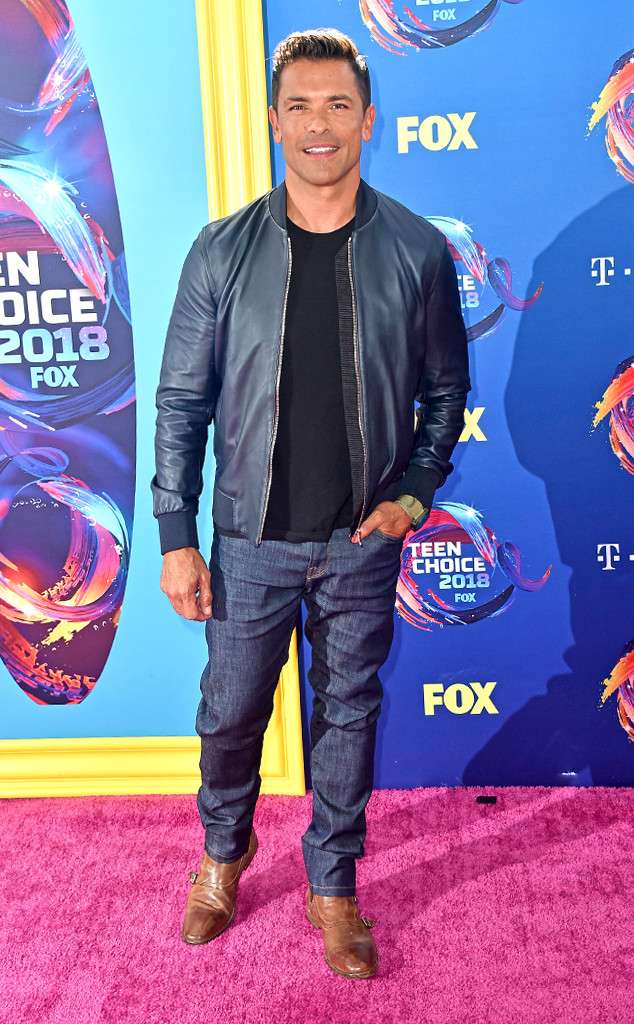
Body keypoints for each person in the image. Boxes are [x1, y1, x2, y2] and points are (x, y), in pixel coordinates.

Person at [150, 27, 471, 979]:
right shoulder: (222, 251)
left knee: (348, 718)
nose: (318, 123)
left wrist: (413, 494)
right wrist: (176, 533)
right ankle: (224, 855)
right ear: (274, 120)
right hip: (250, 538)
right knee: (228, 714)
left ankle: (333, 885)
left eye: (337, 104)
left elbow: (446, 391)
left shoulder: (415, 249)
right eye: (300, 105)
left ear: (368, 120)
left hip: (363, 538)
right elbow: (181, 401)